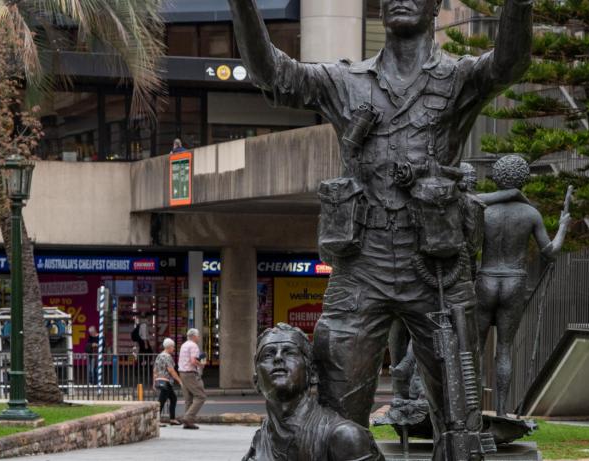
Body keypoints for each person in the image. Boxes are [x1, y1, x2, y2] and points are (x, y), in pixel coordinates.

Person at [227, 1, 532, 457]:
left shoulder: (458, 78)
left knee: (458, 420)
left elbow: (509, 63)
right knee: (338, 423)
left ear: (435, 6)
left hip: (437, 269)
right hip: (359, 269)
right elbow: (272, 72)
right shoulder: (345, 81)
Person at [476, 155, 572, 416]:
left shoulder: (484, 209)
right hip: (514, 280)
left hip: (485, 277)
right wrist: (563, 227)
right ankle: (502, 412)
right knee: (504, 347)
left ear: (497, 177)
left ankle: (472, 409)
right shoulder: (530, 213)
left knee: (475, 347)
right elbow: (550, 253)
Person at [243, 323, 381, 461]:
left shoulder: (345, 437)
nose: (278, 358)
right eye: (268, 355)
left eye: (289, 352)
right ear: (256, 381)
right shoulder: (261, 439)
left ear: (313, 374)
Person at [178, 328, 207, 429]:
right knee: (201, 396)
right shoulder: (193, 345)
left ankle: (188, 423)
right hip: (190, 373)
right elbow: (193, 361)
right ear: (194, 336)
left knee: (188, 399)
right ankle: (188, 417)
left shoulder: (184, 345)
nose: (199, 338)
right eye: (198, 336)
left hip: (182, 372)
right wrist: (202, 365)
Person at [154, 338, 183, 426]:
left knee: (173, 398)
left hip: (159, 380)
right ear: (169, 347)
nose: (174, 349)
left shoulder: (159, 355)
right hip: (166, 381)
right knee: (162, 401)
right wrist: (180, 381)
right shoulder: (167, 357)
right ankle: (157, 421)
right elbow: (171, 370)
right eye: (173, 347)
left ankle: (172, 419)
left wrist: (153, 382)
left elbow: (155, 370)